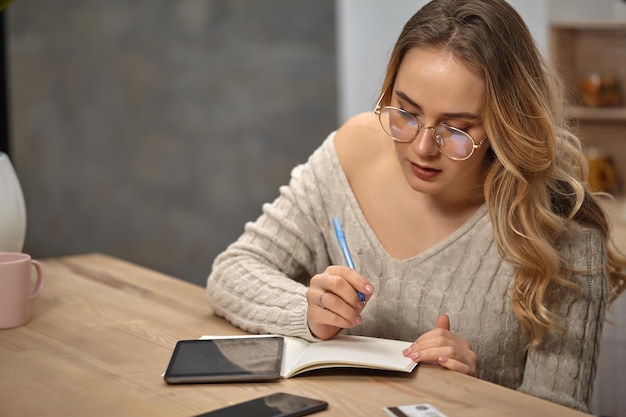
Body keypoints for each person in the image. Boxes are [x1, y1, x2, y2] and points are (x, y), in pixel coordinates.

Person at [206, 0, 626, 412]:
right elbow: (233, 271)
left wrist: (477, 394)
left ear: (506, 124)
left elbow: (556, 409)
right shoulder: (354, 150)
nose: (422, 148)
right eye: (405, 112)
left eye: (456, 128)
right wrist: (309, 313)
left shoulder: (563, 229)